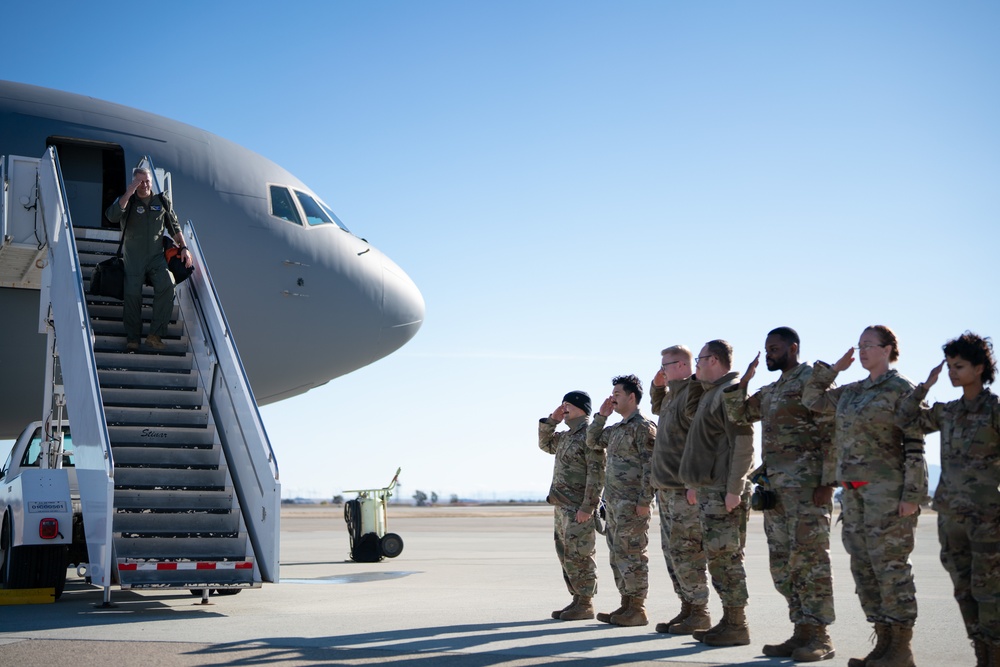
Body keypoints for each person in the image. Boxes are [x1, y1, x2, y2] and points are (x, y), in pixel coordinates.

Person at [803, 325, 927, 667]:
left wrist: (913, 494)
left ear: (888, 349)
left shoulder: (903, 390)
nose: (861, 351)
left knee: (891, 568)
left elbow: (915, 444)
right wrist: (834, 370)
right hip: (854, 495)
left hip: (887, 494)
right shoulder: (851, 391)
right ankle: (883, 644)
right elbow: (812, 399)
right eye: (859, 346)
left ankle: (901, 648)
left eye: (869, 346)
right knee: (864, 569)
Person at [723, 327, 837, 662]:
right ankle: (800, 631)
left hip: (807, 490)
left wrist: (827, 482)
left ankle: (820, 636)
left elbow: (831, 431)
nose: (769, 353)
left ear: (793, 348)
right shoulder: (771, 390)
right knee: (783, 566)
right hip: (776, 493)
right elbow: (739, 413)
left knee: (812, 563)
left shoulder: (811, 382)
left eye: (774, 348)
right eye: (766, 348)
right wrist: (741, 383)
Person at [895, 332, 1000, 666]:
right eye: (950, 366)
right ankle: (981, 651)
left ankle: (994, 654)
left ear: (980, 368)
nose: (953, 372)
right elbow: (904, 419)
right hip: (950, 518)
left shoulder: (995, 410)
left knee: (990, 592)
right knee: (963, 590)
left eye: (960, 366)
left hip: (987, 518)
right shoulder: (947, 412)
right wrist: (925, 386)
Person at [679, 339, 755, 647]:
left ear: (714, 360)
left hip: (725, 489)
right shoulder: (712, 394)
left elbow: (744, 444)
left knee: (727, 559)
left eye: (699, 360)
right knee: (718, 559)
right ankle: (728, 620)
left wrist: (734, 489)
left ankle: (737, 624)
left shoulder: (730, 392)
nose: (695, 366)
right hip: (711, 489)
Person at [649, 345, 713, 635]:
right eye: (661, 365)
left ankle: (700, 612)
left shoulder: (692, 392)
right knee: (672, 552)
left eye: (667, 364)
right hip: (665, 488)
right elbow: (656, 407)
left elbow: (698, 438)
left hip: (682, 488)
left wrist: (693, 482)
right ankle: (687, 607)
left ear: (684, 365)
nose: (662, 369)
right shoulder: (673, 395)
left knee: (688, 552)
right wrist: (656, 387)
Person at [586, 374, 657, 626]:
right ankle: (626, 605)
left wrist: (644, 500)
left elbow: (651, 467)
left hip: (633, 504)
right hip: (614, 505)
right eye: (612, 394)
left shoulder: (643, 427)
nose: (612, 398)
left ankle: (638, 608)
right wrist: (601, 416)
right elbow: (591, 441)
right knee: (617, 555)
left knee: (633, 555)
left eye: (617, 394)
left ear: (631, 397)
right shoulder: (616, 429)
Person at [105, 167, 192, 352]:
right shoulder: (127, 201)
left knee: (168, 284)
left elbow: (174, 226)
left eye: (147, 181)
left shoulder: (161, 201)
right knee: (132, 295)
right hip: (133, 258)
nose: (144, 185)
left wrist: (184, 247)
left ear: (151, 182)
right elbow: (112, 216)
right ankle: (133, 338)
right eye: (140, 182)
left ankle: (155, 335)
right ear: (134, 182)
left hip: (156, 257)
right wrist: (128, 193)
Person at [538, 390, 605, 621]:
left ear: (582, 408)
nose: (564, 407)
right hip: (562, 506)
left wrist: (588, 506)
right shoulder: (566, 436)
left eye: (568, 405)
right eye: (562, 404)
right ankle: (577, 598)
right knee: (566, 554)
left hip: (579, 507)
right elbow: (546, 445)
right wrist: (552, 421)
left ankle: (586, 603)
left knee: (581, 554)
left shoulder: (589, 435)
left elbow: (597, 473)